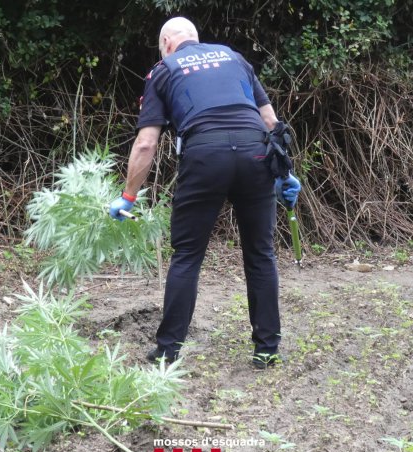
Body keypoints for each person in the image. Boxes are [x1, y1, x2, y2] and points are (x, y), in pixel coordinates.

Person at [108, 17, 301, 369]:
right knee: (260, 254)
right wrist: (285, 174)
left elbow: (147, 142)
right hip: (255, 151)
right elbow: (271, 123)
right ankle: (267, 349)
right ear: (196, 39)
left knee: (187, 256)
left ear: (166, 42)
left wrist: (129, 195)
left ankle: (168, 351)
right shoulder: (233, 57)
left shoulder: (163, 70)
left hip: (205, 155)